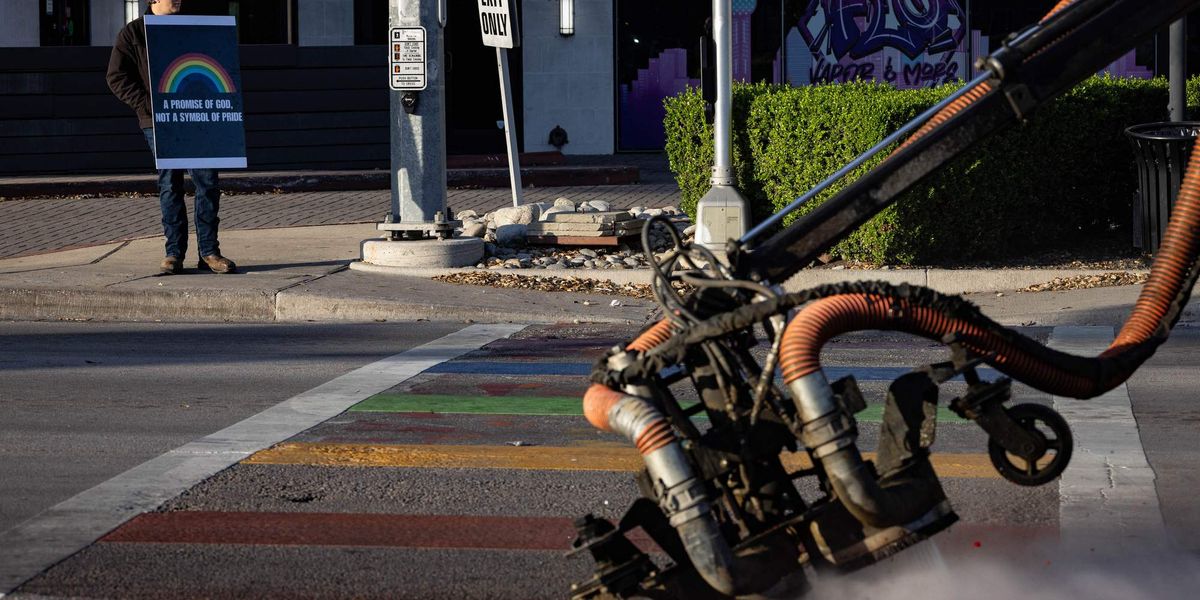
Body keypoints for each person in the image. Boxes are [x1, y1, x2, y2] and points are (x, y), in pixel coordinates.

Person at [106, 0, 236, 275]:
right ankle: (174, 253)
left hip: (198, 119)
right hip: (157, 122)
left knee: (208, 183)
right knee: (170, 183)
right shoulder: (134, 33)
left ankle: (209, 252)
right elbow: (116, 77)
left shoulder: (192, 29)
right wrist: (149, 106)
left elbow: (213, 64)